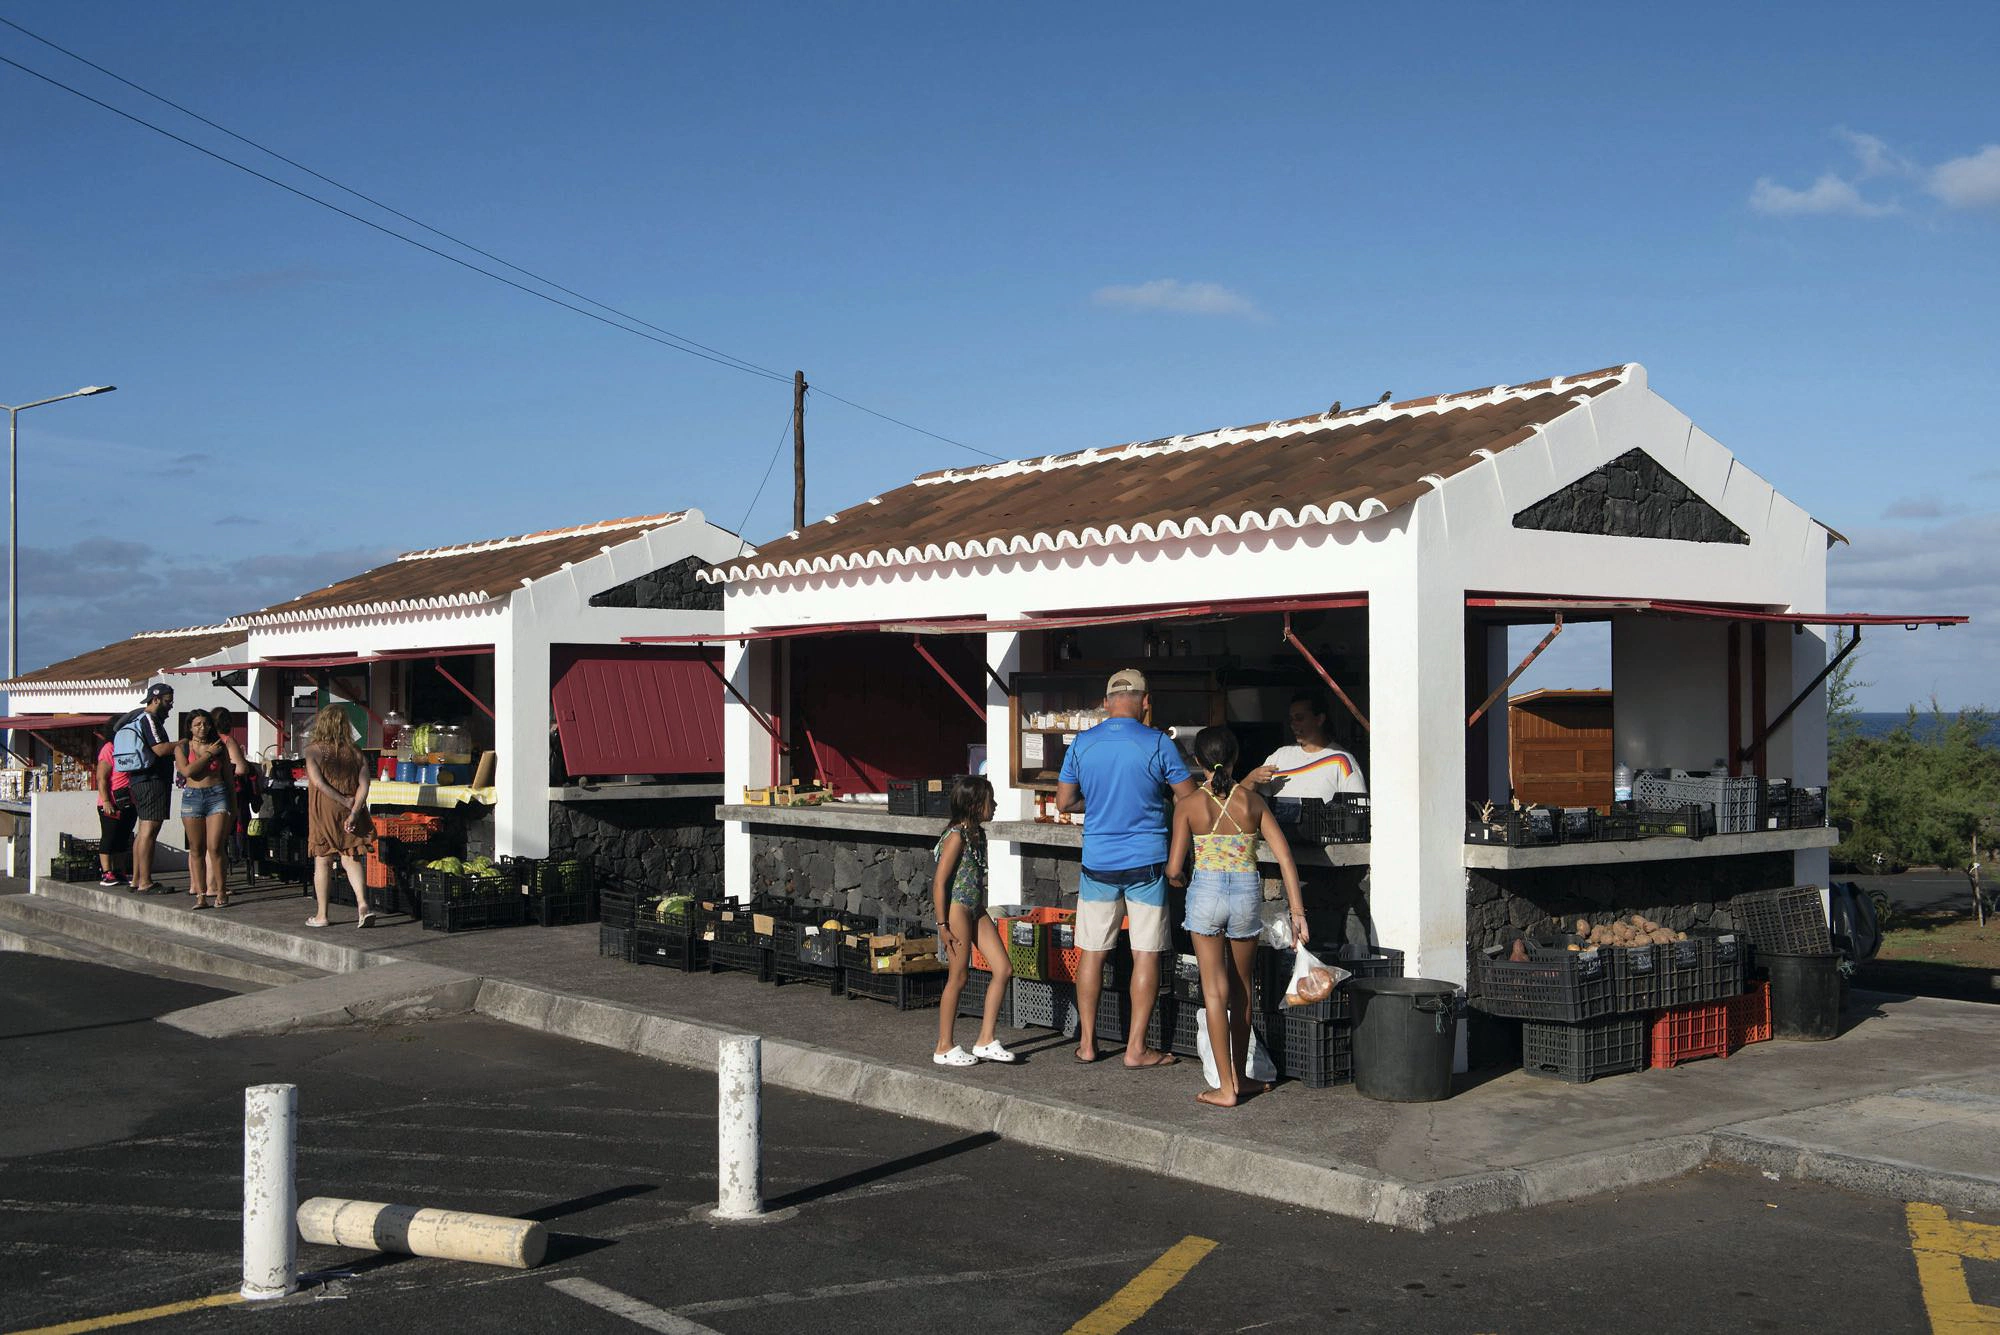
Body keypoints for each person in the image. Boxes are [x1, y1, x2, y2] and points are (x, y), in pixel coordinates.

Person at [1056, 667, 1197, 1067]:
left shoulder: (1082, 743)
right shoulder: (1158, 743)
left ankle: (1087, 1043)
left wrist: (1098, 802)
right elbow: (1189, 798)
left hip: (1097, 863)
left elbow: (1064, 802)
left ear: (1105, 703)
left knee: (1092, 952)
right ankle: (1136, 1049)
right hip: (1146, 863)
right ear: (1146, 702)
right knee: (1145, 953)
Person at [1167, 727, 1306, 1108]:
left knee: (1214, 991)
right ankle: (1242, 1078)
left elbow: (1174, 867)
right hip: (1245, 893)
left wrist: (1179, 880)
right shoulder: (1253, 802)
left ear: (1198, 761)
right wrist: (1297, 913)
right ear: (1236, 758)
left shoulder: (1189, 805)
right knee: (1243, 988)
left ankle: (1226, 1086)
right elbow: (1285, 858)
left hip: (1206, 894)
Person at [930, 775, 1016, 1067]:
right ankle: (944, 1046)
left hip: (975, 908)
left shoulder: (977, 834)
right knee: (958, 976)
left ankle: (985, 1039)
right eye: (990, 800)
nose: (995, 805)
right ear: (974, 804)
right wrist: (942, 925)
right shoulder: (956, 836)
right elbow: (940, 883)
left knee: (1003, 968)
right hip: (957, 910)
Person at [302, 705, 375, 928]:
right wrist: (354, 811)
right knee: (351, 856)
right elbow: (365, 785)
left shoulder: (313, 751)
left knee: (323, 860)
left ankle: (322, 915)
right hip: (350, 810)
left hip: (324, 810)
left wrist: (342, 800)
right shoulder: (356, 752)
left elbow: (318, 783)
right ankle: (362, 904)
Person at [1245, 690, 1368, 805]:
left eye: (1299, 718)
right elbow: (1240, 800)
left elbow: (1359, 809)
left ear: (1319, 719)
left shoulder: (1342, 760)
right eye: (1291, 719)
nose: (1293, 725)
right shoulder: (1279, 756)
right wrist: (1252, 778)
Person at [117, 683, 179, 893]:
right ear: (156, 699)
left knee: (143, 830)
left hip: (139, 780)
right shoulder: (149, 719)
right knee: (149, 831)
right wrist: (183, 743)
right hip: (152, 780)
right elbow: (160, 749)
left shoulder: (137, 718)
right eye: (168, 701)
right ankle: (145, 881)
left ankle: (136, 880)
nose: (170, 706)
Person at [175, 710, 235, 908]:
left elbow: (228, 777)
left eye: (206, 724)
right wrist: (209, 755)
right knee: (196, 848)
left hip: (217, 794)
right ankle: (200, 894)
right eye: (197, 724)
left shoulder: (220, 746)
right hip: (192, 797)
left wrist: (233, 806)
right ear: (190, 727)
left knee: (215, 846)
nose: (202, 728)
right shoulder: (183, 747)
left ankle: (221, 890)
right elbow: (187, 771)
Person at [209, 707, 256, 878]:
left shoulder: (206, 741)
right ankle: (220, 879)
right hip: (229, 791)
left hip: (207, 791)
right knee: (225, 835)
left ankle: (206, 881)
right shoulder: (227, 741)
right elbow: (241, 768)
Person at [92, 734, 135, 887]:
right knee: (109, 837)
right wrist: (106, 801)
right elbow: (101, 778)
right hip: (111, 801)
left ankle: (119, 871)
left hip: (128, 800)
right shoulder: (109, 748)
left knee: (122, 838)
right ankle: (106, 872)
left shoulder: (130, 747)